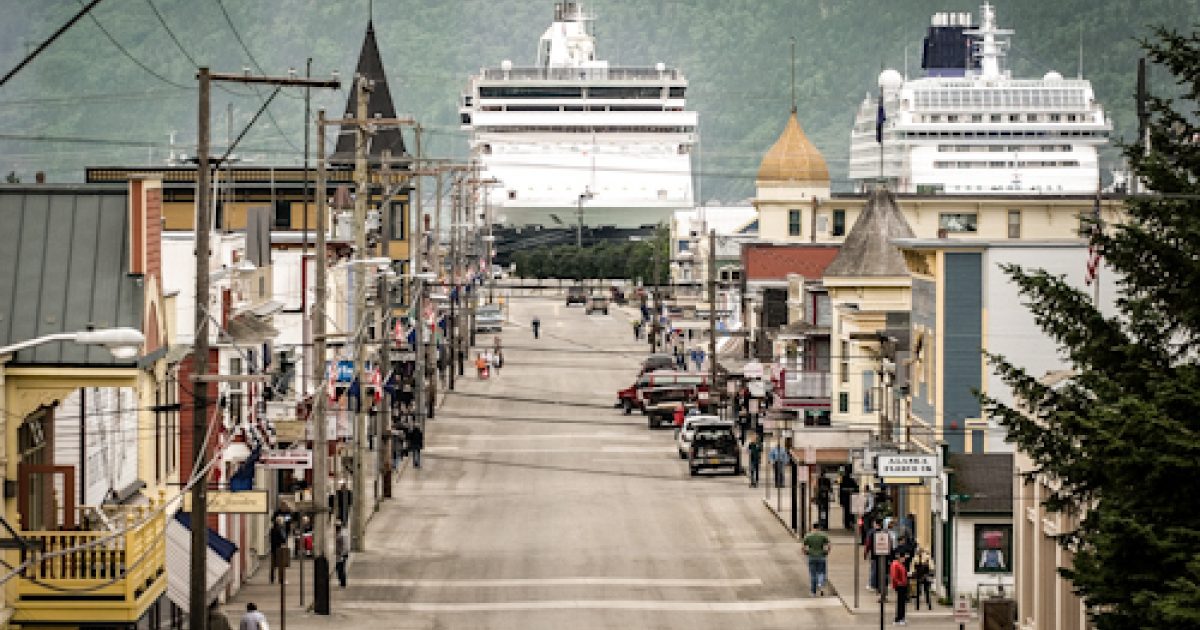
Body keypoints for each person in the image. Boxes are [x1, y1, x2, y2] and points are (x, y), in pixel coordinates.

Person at [802, 522, 831, 596]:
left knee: (813, 575)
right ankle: (820, 584)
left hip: (812, 556)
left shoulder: (808, 536)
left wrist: (806, 552)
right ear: (819, 527)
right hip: (821, 556)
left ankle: (813, 592)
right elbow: (829, 544)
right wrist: (827, 552)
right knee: (822, 572)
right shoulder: (823, 535)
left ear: (812, 527)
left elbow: (803, 546)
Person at [890, 552, 910, 625]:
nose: (904, 559)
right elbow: (894, 576)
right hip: (900, 585)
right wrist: (899, 582)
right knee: (900, 602)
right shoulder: (896, 565)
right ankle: (899, 618)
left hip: (903, 585)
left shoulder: (900, 565)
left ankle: (901, 617)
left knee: (902, 602)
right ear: (900, 558)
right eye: (903, 558)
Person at [268, 516, 287, 584]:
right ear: (280, 522)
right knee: (281, 565)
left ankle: (272, 579)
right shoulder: (281, 529)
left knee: (273, 565)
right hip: (280, 548)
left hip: (273, 548)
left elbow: (270, 539)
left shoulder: (272, 529)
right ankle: (281, 579)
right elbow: (283, 539)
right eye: (282, 521)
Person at [334, 520, 350, 588]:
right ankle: (341, 581)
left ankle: (343, 582)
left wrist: (342, 554)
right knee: (339, 568)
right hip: (339, 554)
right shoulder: (339, 533)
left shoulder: (342, 534)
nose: (336, 528)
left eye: (337, 526)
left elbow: (345, 545)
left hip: (342, 554)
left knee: (340, 568)